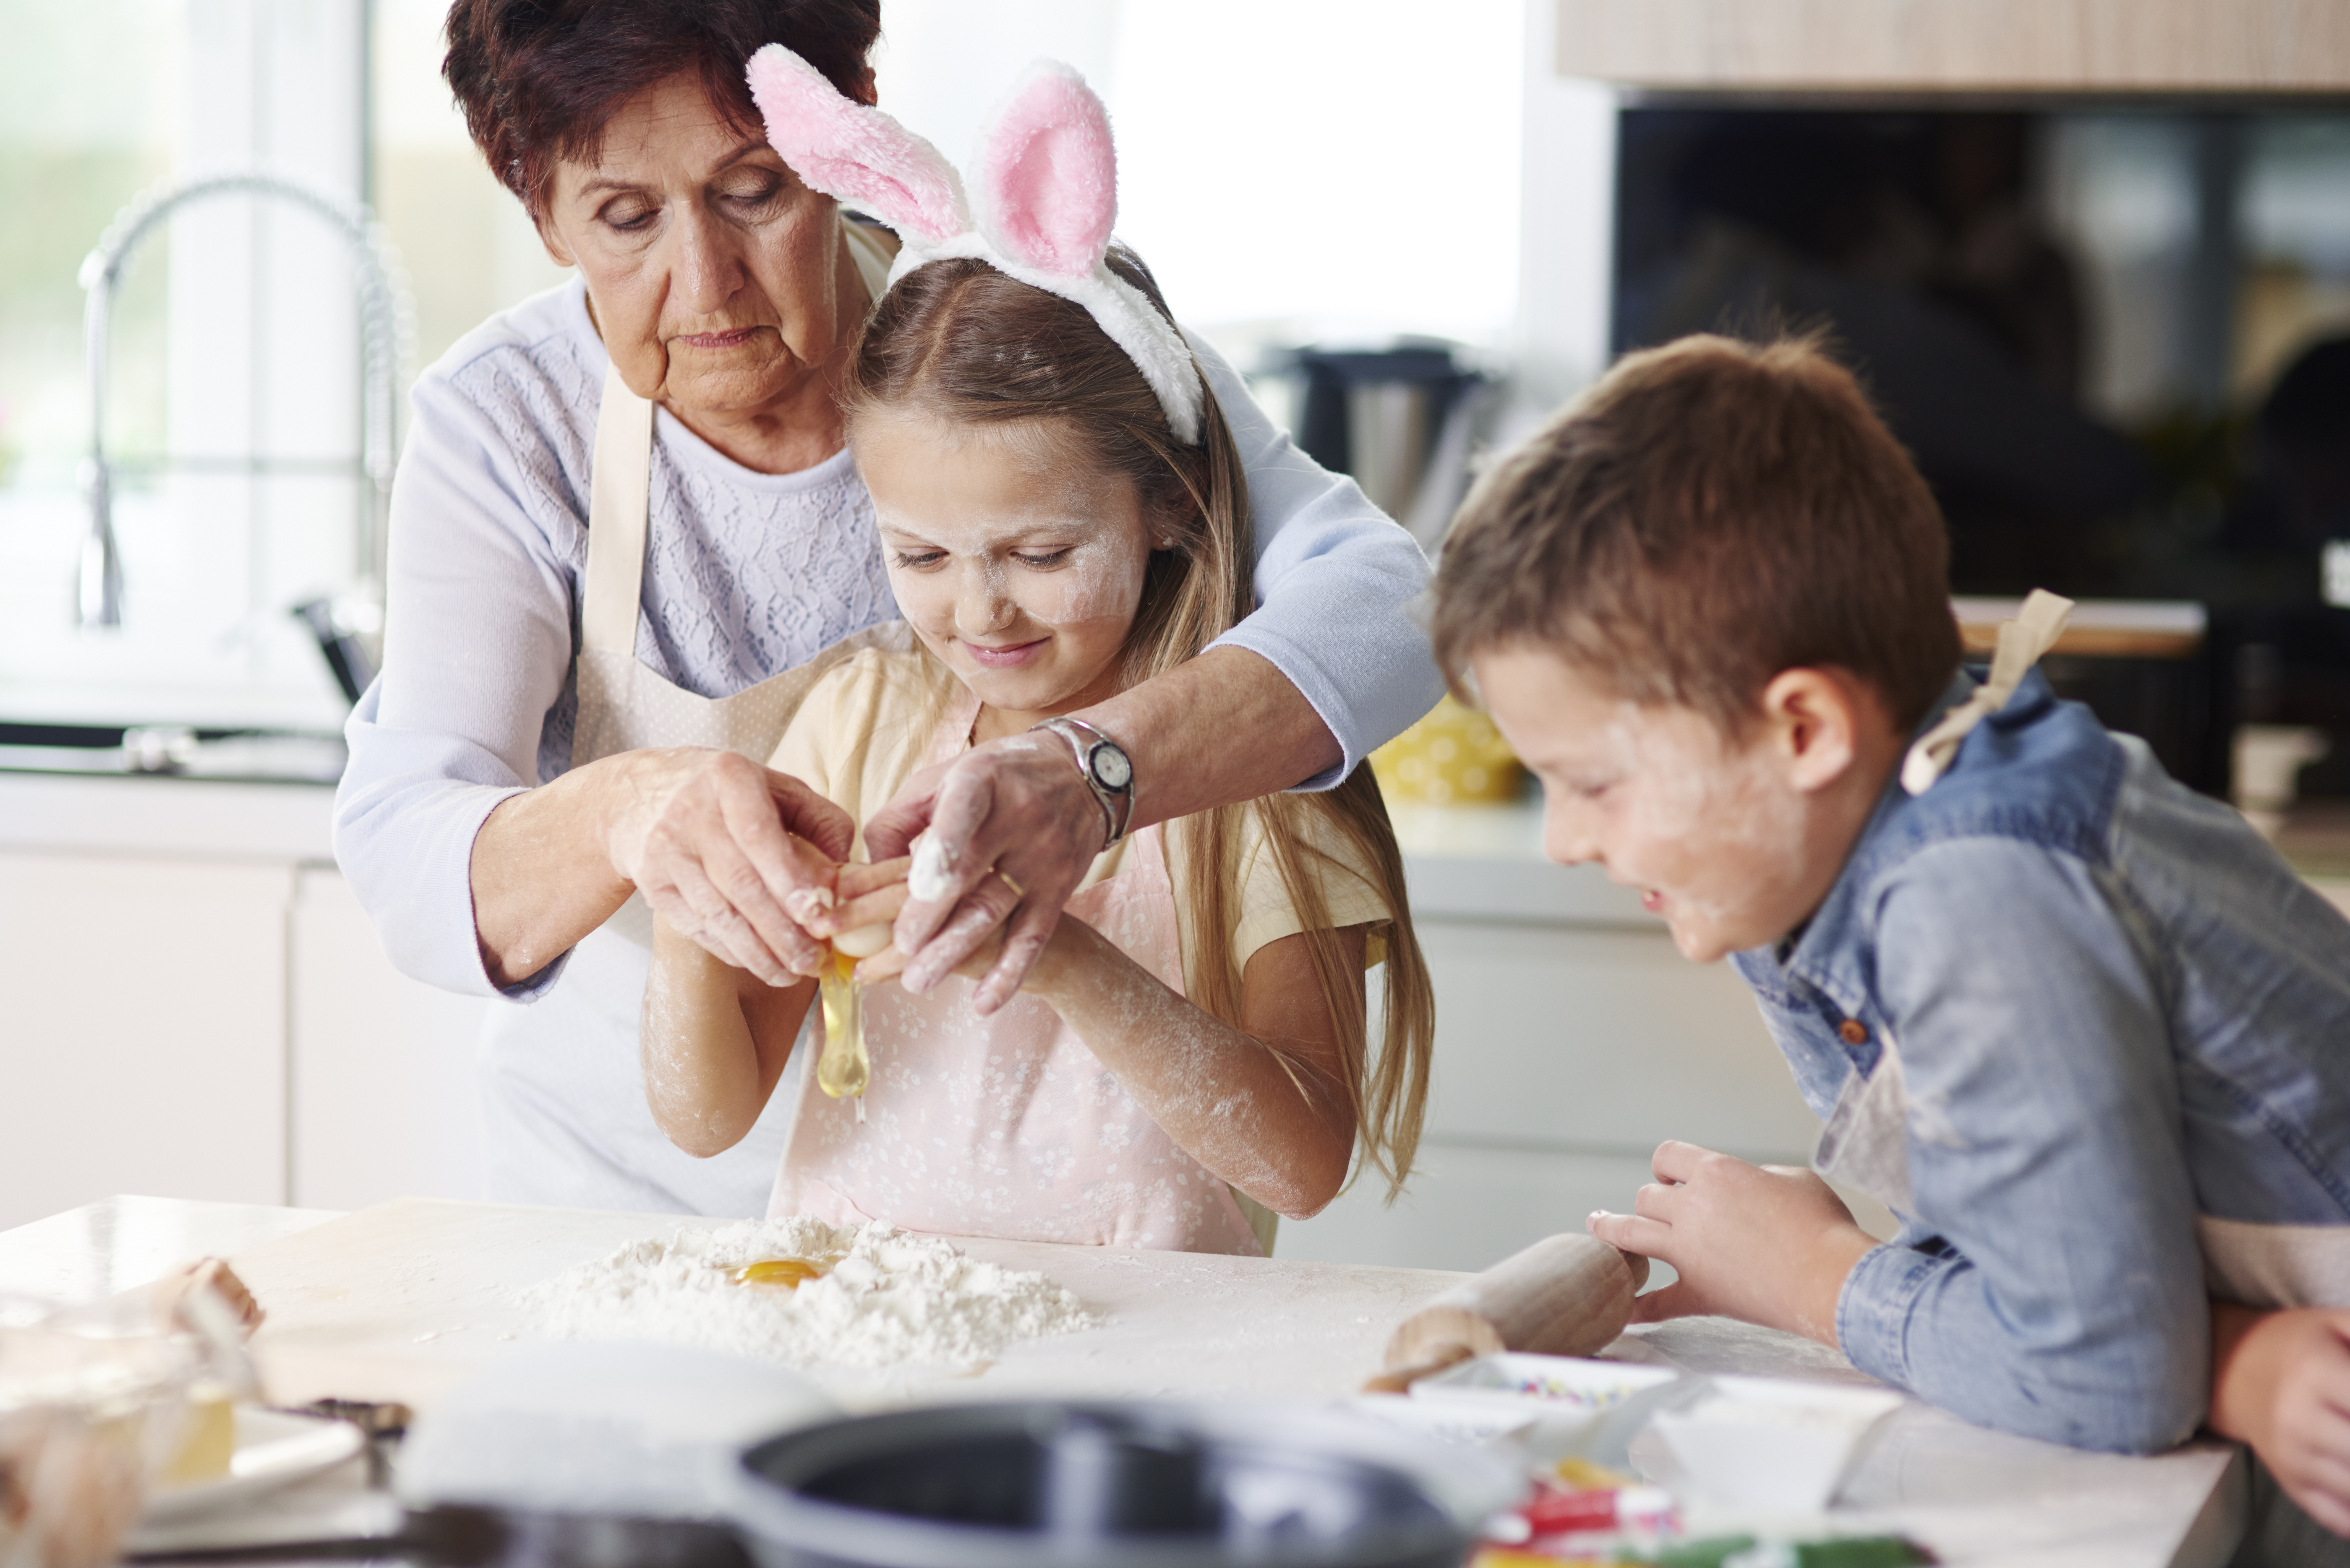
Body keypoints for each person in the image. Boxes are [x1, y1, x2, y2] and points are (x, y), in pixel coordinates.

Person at [333, 0, 1441, 1217]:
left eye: (754, 190)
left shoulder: (1019, 339)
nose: (706, 283)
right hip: (616, 1177)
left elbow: (1397, 605)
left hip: (1011, 1223)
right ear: (542, 212)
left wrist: (1089, 777)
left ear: (842, 129)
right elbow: (403, 847)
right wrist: (635, 814)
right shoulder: (508, 422)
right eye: (626, 217)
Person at [1426, 332, 2350, 1558]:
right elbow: (2036, 1247)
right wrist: (2223, 1358)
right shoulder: (1825, 854)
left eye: (1591, 781)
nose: (1564, 841)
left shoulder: (1976, 890)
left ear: (1802, 728)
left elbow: (2105, 1379)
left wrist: (1815, 1273)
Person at [643, 57, 1432, 1254]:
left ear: (1165, 505)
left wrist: (1058, 951)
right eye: (922, 555)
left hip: (1138, 1378)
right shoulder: (861, 722)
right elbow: (705, 1116)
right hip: (863, 1350)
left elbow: (1306, 1159)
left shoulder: (1255, 766)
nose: (981, 613)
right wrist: (684, 898)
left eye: (1041, 552)